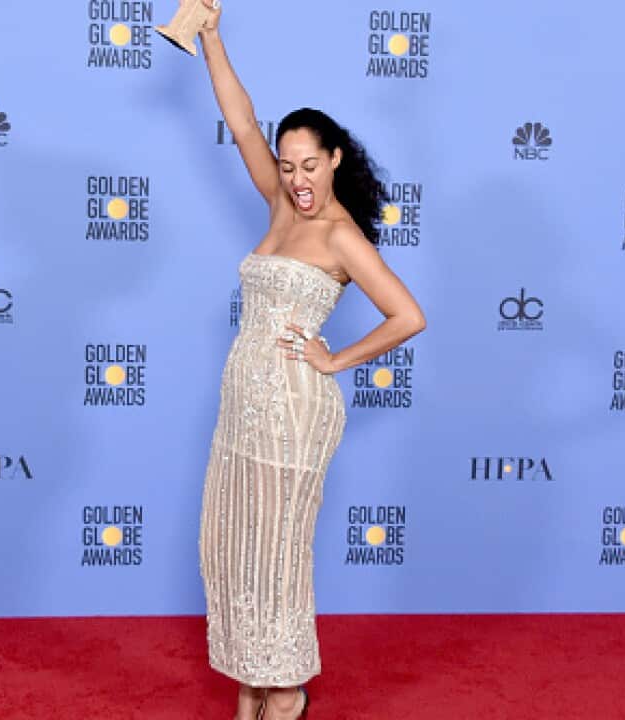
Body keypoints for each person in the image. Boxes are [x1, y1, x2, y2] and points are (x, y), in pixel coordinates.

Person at [190, 1, 426, 718]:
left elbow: (409, 316)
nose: (296, 177)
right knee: (233, 543)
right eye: (287, 164)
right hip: (242, 401)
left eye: (308, 165)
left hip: (295, 408)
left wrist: (334, 361)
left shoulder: (341, 236)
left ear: (335, 160)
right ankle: (252, 676)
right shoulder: (281, 207)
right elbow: (239, 119)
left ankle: (286, 685)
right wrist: (211, 38)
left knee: (279, 549)